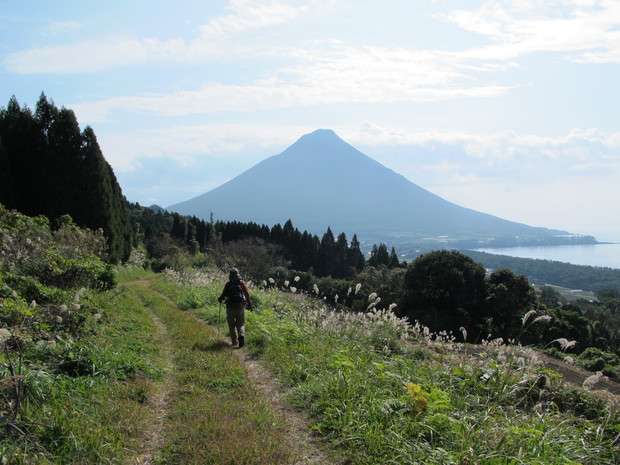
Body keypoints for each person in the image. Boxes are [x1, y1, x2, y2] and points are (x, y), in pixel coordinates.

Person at [218, 268, 253, 347]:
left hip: (230, 307)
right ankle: (241, 335)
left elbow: (223, 295)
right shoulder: (242, 284)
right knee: (241, 323)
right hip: (240, 306)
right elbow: (247, 295)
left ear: (230, 275)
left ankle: (234, 341)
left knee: (231, 325)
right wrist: (250, 304)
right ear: (238, 275)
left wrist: (220, 299)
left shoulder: (228, 284)